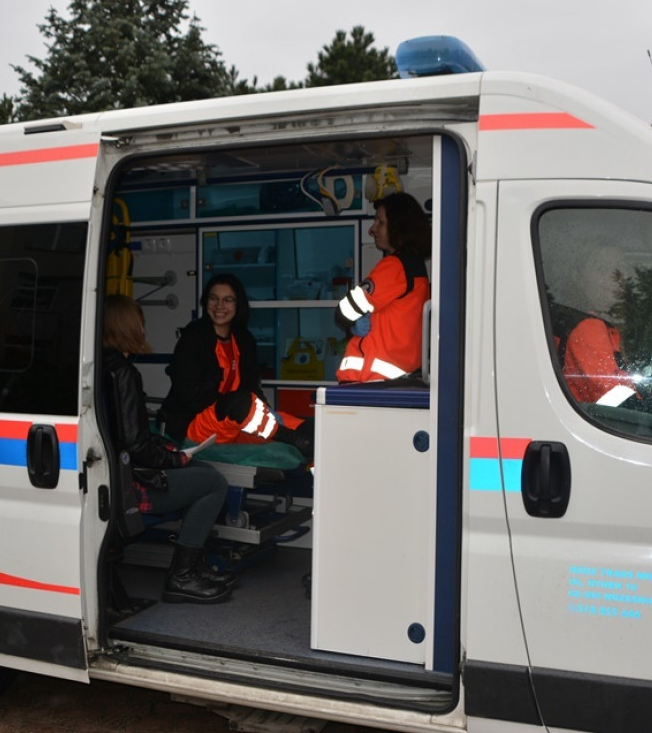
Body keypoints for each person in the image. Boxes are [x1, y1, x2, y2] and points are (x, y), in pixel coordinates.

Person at [102, 294, 233, 604]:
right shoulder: (122, 373)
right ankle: (182, 576)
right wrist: (174, 458)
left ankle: (193, 565)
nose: (144, 329)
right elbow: (136, 446)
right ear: (128, 327)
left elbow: (127, 434)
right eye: (140, 324)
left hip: (115, 474)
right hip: (129, 484)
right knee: (214, 482)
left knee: (200, 472)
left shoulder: (100, 367)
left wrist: (170, 450)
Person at [161, 274, 313, 459]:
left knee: (305, 426)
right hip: (197, 424)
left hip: (239, 420)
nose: (219, 306)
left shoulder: (244, 339)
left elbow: (253, 388)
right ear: (206, 301)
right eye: (213, 298)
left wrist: (266, 411)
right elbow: (189, 395)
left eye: (228, 300)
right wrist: (231, 405)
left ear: (237, 304)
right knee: (241, 402)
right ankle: (290, 438)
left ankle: (296, 436)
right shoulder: (193, 337)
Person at [336, 192, 431, 383]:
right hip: (398, 379)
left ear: (399, 227)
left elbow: (346, 309)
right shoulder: (417, 268)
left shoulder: (395, 266)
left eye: (380, 222)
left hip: (369, 381)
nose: (372, 229)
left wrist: (348, 320)